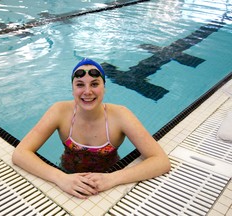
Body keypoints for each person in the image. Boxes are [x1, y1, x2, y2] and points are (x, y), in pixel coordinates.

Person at [12, 58, 171, 199]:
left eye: (94, 84)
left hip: (109, 180)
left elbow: (161, 161)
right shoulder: (59, 112)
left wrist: (113, 178)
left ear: (104, 87)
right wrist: (59, 178)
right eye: (80, 85)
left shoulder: (121, 116)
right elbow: (20, 153)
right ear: (73, 89)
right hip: (66, 176)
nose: (87, 92)